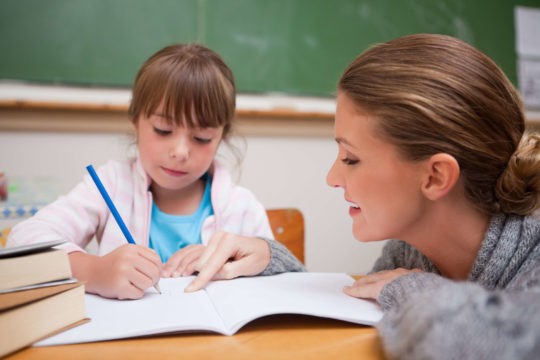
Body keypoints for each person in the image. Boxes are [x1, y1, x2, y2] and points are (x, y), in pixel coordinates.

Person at [185, 34, 540, 359]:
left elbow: (478, 342)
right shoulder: (410, 251)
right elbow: (352, 305)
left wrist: (409, 287)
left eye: (351, 159)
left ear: (434, 176)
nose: (332, 178)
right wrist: (269, 259)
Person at [7, 43, 303, 300]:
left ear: (222, 137)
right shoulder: (109, 185)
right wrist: (94, 271)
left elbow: (291, 284)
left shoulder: (241, 207)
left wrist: (263, 255)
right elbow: (23, 240)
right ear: (135, 120)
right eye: (163, 130)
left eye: (201, 137)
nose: (180, 151)